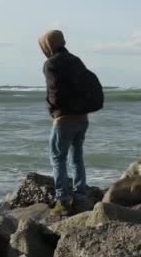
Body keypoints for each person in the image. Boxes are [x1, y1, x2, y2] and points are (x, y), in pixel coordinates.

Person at [38, 29, 90, 215]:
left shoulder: (50, 63)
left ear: (48, 45)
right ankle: (81, 196)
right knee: (77, 157)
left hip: (64, 119)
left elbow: (54, 92)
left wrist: (53, 111)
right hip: (83, 118)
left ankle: (63, 199)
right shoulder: (76, 60)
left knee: (58, 158)